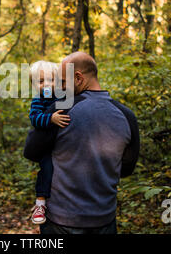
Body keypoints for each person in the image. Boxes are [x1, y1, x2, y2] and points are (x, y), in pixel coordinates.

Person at [24, 52, 140, 234]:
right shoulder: (127, 116)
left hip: (61, 222)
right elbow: (126, 169)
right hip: (105, 220)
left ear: (78, 78)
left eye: (62, 81)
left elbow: (31, 151)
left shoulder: (61, 110)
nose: (59, 87)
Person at [28, 61, 71, 224]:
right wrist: (50, 118)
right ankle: (40, 203)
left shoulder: (63, 94)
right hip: (47, 144)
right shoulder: (39, 99)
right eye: (40, 81)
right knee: (46, 169)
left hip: (62, 143)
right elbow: (34, 118)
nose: (46, 84)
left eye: (51, 80)